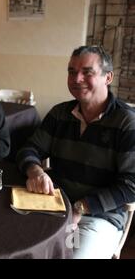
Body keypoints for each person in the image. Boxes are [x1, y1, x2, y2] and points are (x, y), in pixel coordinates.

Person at [17, 45, 135, 259]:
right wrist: (35, 171)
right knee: (15, 244)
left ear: (107, 77)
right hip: (53, 208)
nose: (76, 78)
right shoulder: (60, 113)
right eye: (72, 71)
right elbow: (29, 148)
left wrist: (81, 207)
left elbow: (132, 184)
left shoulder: (127, 122)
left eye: (87, 72)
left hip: (98, 218)